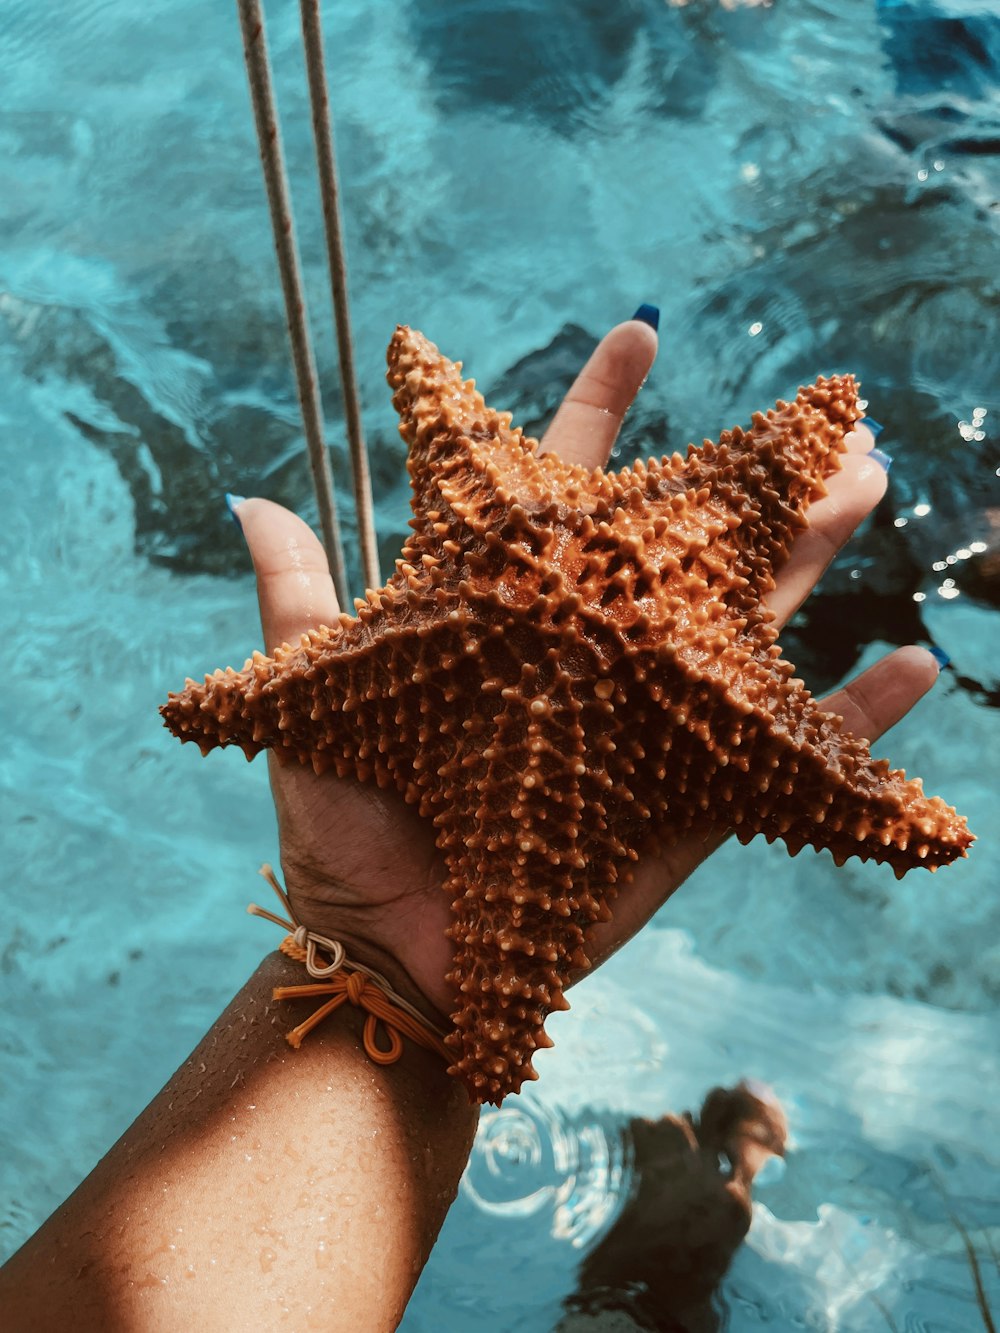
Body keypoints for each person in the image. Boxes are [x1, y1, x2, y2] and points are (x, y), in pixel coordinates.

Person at [0, 309, 943, 1330]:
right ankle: (687, 1234)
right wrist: (410, 977)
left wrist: (389, 967)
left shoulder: (485, 533)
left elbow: (423, 438)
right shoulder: (614, 678)